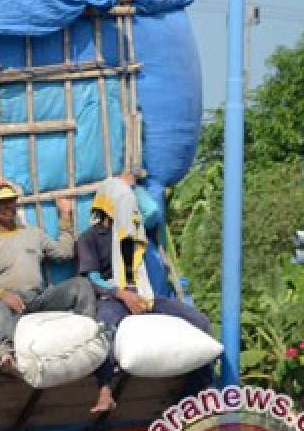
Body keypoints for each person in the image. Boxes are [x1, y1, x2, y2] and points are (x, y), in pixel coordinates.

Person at [77, 175, 213, 413]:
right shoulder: (89, 238)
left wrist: (133, 187)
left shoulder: (135, 230)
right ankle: (105, 389)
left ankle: (198, 388)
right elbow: (92, 279)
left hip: (145, 295)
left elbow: (153, 212)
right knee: (103, 329)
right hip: (113, 298)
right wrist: (122, 295)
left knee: (200, 322)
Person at [0, 180, 96, 374]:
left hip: (37, 299)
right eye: (1, 204)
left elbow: (65, 253)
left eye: (10, 202)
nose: (7, 207)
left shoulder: (33, 234)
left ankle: (91, 337)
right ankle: (6, 354)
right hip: (6, 302)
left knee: (81, 285)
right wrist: (2, 295)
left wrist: (65, 217)